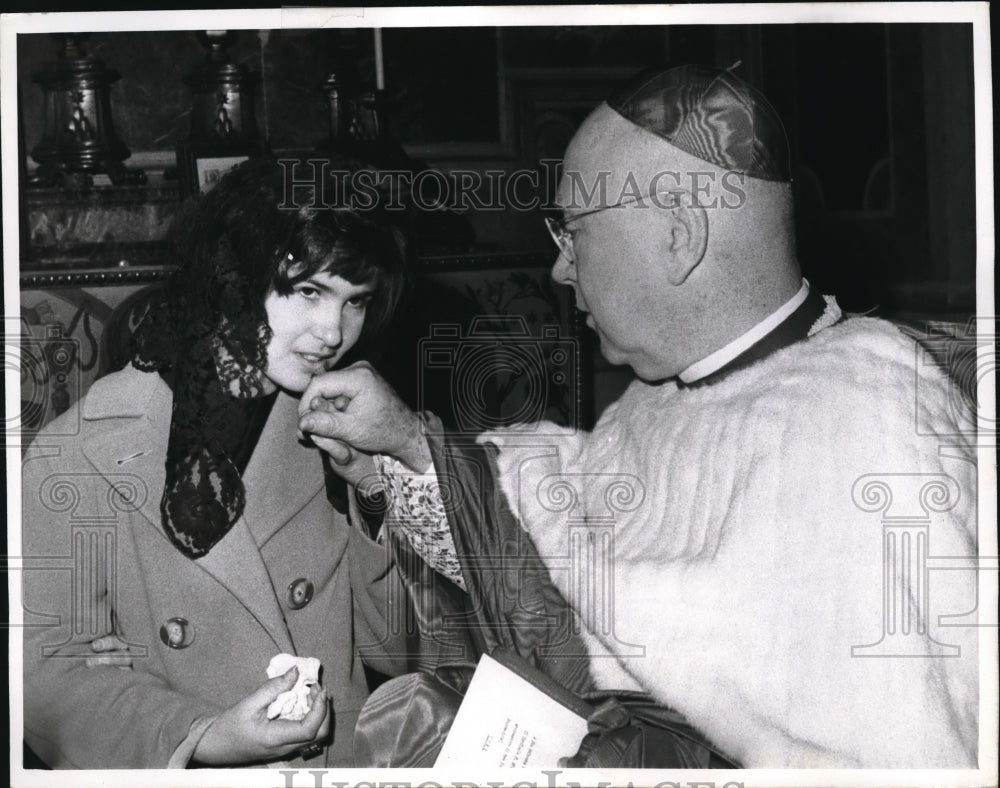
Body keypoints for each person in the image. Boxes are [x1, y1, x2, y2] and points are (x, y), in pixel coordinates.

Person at [297, 65, 980, 768]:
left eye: (574, 231)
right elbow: (564, 555)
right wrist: (405, 452)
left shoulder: (861, 429)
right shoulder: (673, 390)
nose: (561, 270)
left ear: (680, 237)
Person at [21, 158, 412, 768]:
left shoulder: (343, 430)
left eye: (355, 301)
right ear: (233, 273)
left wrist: (373, 487)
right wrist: (201, 736)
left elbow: (404, 648)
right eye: (308, 291)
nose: (334, 331)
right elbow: (45, 673)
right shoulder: (77, 452)